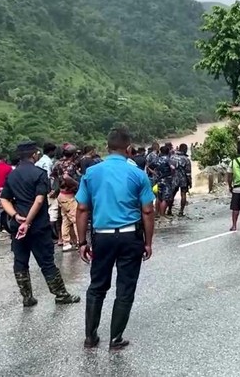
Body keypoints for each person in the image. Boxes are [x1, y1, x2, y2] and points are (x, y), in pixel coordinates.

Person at [76, 128, 155, 350]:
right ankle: (115, 338)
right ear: (128, 148)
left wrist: (82, 242)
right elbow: (148, 211)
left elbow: (82, 208)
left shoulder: (91, 173)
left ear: (107, 147)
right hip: (131, 236)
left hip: (102, 237)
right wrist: (148, 242)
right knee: (125, 287)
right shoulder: (138, 174)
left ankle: (90, 337)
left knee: (97, 286)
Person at [0, 141, 81, 307]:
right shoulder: (39, 173)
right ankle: (60, 294)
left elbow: (3, 199)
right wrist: (28, 221)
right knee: (46, 261)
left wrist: (16, 216)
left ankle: (27, 297)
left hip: (18, 225)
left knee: (20, 261)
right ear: (34, 155)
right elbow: (38, 200)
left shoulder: (12, 175)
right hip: (37, 226)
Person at [52, 145, 80, 251]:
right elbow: (67, 177)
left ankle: (66, 242)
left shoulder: (57, 164)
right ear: (73, 154)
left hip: (61, 194)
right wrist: (76, 184)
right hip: (69, 195)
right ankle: (78, 241)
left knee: (65, 220)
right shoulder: (71, 165)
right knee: (75, 219)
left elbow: (53, 175)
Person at [35, 143, 59, 242]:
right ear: (51, 151)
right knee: (53, 212)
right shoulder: (48, 162)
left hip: (39, 190)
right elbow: (48, 177)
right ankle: (51, 235)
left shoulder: (39, 162)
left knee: (45, 212)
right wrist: (51, 190)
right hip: (47, 191)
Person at [169, 144, 192, 217]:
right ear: (185, 150)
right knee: (183, 195)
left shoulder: (172, 157)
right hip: (183, 180)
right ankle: (181, 211)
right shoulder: (186, 159)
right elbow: (188, 173)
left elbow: (170, 168)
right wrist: (190, 182)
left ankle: (169, 210)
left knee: (172, 195)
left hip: (174, 179)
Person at [152, 145, 175, 217]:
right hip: (167, 180)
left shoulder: (157, 159)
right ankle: (162, 215)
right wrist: (172, 173)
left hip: (159, 180)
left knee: (159, 197)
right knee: (165, 198)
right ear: (168, 152)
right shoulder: (168, 159)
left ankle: (157, 213)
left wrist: (155, 173)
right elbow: (173, 168)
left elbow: (149, 166)